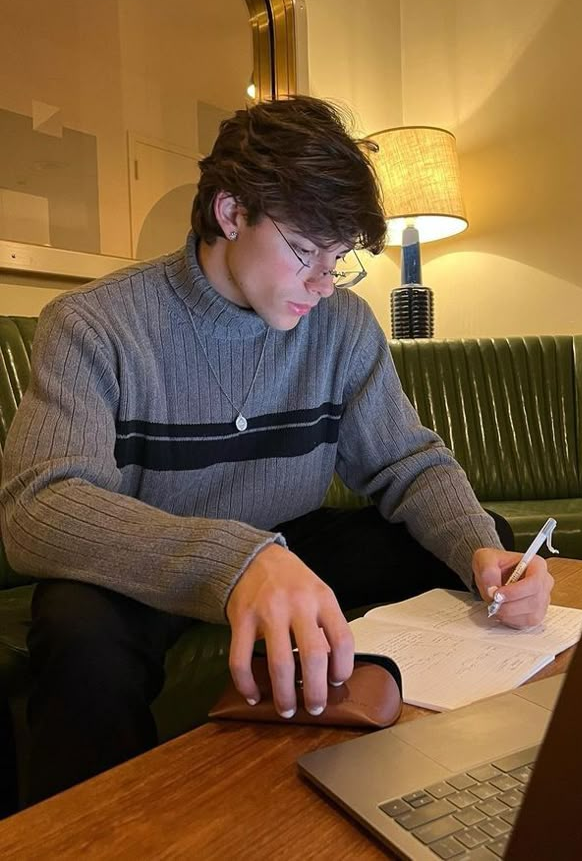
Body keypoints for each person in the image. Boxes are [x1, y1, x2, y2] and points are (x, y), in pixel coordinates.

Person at [0, 96, 552, 803]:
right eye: (303, 252)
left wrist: (485, 550)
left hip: (292, 542)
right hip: (148, 557)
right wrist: (238, 560)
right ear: (231, 214)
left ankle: (433, 754)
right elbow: (38, 509)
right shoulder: (94, 323)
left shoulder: (342, 327)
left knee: (476, 548)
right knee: (79, 639)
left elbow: (405, 463)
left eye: (341, 258)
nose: (324, 283)